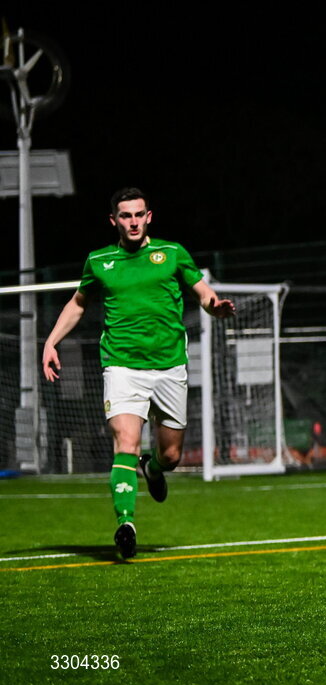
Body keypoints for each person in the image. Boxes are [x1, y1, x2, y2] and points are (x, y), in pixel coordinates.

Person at [41, 187, 235, 560]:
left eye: (139, 214)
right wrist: (51, 342)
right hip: (122, 366)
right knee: (125, 443)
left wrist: (216, 308)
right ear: (113, 220)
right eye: (125, 216)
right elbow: (78, 305)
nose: (132, 221)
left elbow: (203, 293)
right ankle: (125, 524)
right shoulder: (99, 261)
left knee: (173, 455)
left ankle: (154, 468)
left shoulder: (172, 253)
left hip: (169, 366)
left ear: (149, 217)